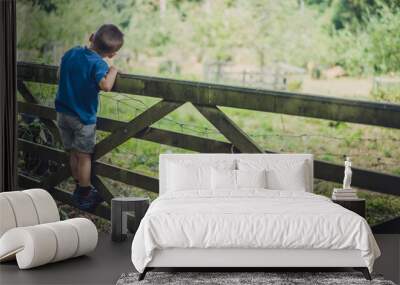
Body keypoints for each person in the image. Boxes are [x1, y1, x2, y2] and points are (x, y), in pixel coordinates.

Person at [55, 24, 124, 210]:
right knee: (84, 156)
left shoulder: (71, 53)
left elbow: (59, 74)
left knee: (73, 152)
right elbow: (106, 86)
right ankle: (84, 193)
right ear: (111, 54)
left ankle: (78, 185)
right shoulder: (98, 64)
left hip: (63, 113)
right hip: (83, 118)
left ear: (91, 37)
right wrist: (114, 70)